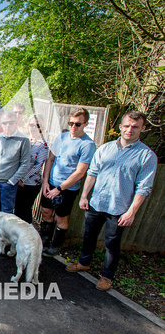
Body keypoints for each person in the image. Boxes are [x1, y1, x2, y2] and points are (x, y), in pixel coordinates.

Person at [66, 111, 157, 291]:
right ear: (121, 127)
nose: (130, 130)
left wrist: (131, 211)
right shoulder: (105, 148)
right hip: (97, 202)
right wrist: (85, 196)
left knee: (111, 244)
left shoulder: (146, 156)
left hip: (119, 208)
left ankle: (107, 276)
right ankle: (84, 262)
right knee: (88, 236)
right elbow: (92, 172)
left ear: (143, 128)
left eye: (135, 127)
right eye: (127, 126)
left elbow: (144, 187)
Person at [40, 107, 96, 257]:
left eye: (78, 124)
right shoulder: (62, 137)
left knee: (61, 217)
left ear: (85, 124)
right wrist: (46, 181)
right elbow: (50, 159)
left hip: (67, 188)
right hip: (51, 183)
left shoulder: (87, 145)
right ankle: (43, 240)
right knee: (46, 212)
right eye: (71, 123)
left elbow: (80, 172)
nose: (73, 127)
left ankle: (55, 246)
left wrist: (59, 188)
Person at [0, 111, 31, 213]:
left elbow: (25, 163)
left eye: (11, 122)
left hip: (8, 184)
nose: (7, 125)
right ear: (1, 124)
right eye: (5, 123)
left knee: (6, 213)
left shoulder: (23, 140)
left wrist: (12, 181)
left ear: (16, 123)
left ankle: (3, 230)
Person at [14, 115, 49, 223]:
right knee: (17, 209)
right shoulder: (25, 140)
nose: (34, 128)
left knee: (25, 210)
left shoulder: (43, 145)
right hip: (17, 180)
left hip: (30, 183)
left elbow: (38, 165)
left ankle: (27, 234)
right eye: (31, 125)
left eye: (37, 125)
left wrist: (22, 179)